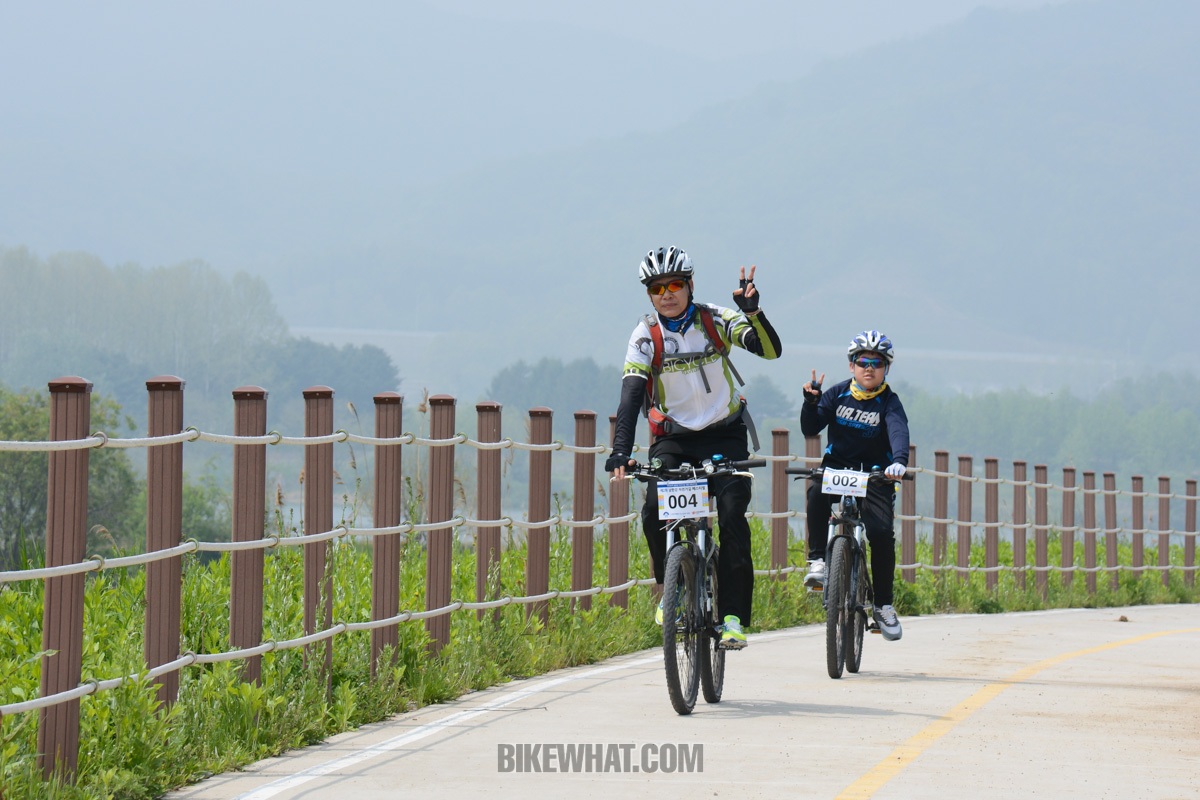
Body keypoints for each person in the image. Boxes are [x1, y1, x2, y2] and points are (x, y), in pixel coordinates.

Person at [605, 246, 782, 649]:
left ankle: (733, 617)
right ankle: (674, 587)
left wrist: (753, 313)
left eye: (674, 285)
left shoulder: (715, 320)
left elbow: (771, 351)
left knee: (733, 516)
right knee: (654, 510)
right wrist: (620, 451)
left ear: (690, 285)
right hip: (675, 439)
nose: (666, 294)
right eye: (657, 288)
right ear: (649, 294)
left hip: (725, 434)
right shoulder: (646, 335)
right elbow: (630, 395)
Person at [800, 330, 909, 641]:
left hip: (875, 475)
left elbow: (898, 430)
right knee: (816, 490)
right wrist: (811, 403)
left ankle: (884, 606)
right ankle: (818, 561)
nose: (869, 368)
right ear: (852, 366)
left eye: (877, 363)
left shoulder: (890, 402)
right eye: (863, 362)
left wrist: (899, 461)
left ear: (886, 368)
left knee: (881, 534)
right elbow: (810, 429)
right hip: (838, 468)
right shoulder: (837, 394)